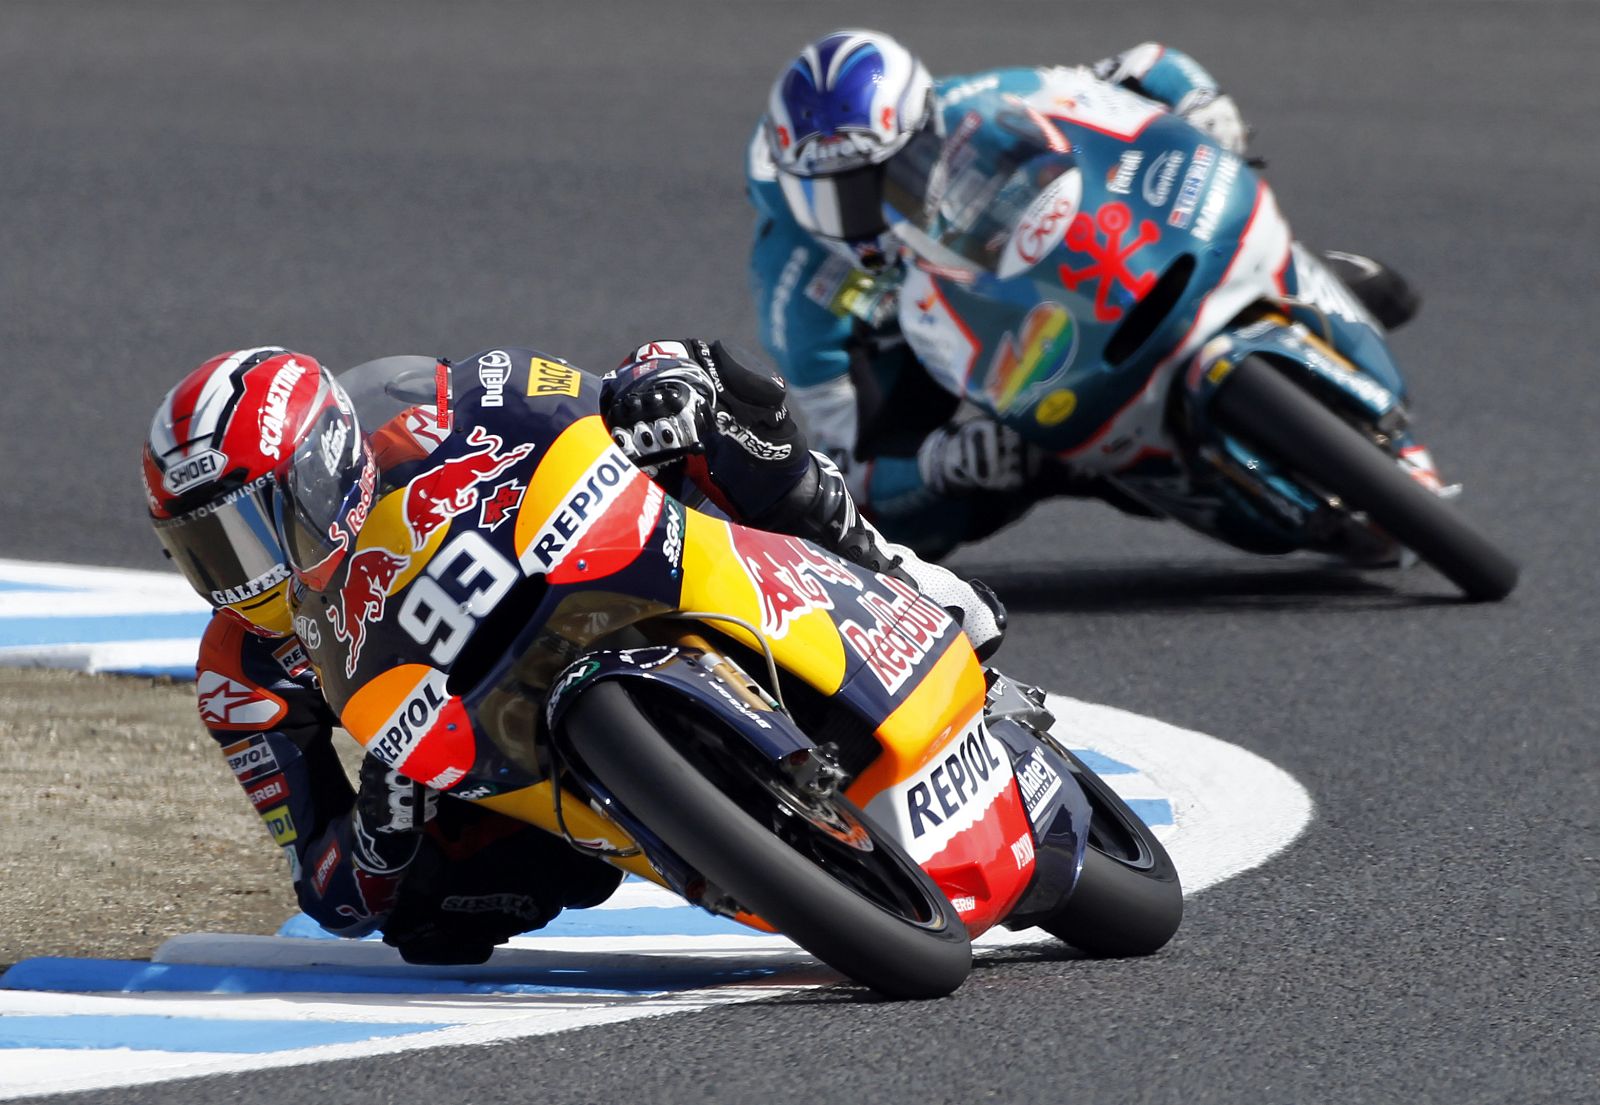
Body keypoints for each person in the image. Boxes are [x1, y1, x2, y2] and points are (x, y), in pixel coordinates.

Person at [142, 340, 1003, 965]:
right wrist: (380, 824)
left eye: (251, 530)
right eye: (207, 549)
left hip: (580, 573)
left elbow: (573, 398)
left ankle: (890, 569)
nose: (239, 574)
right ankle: (679, 826)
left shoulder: (432, 413)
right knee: (424, 920)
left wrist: (648, 392)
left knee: (707, 390)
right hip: (473, 745)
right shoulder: (241, 675)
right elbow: (324, 891)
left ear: (322, 468)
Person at [747, 30, 1421, 558]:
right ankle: (1107, 469)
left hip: (1072, 271)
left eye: (890, 172)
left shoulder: (977, 102)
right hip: (962, 374)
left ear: (923, 127)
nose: (869, 207)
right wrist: (938, 462)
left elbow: (1146, 65)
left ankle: (1297, 286)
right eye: (837, 195)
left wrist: (1201, 108)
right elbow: (843, 461)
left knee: (1378, 284)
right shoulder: (794, 285)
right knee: (926, 518)